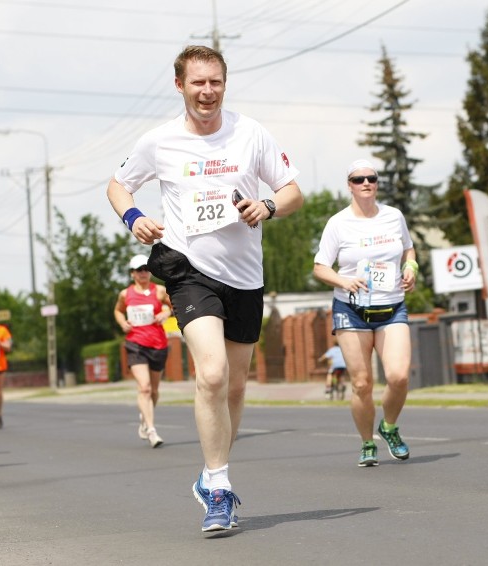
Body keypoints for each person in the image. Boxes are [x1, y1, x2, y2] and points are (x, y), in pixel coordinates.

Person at [106, 45, 303, 532]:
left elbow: (293, 191)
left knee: (235, 386)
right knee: (211, 374)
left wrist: (268, 207)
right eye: (198, 82)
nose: (207, 91)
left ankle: (210, 472)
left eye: (215, 81)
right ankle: (218, 485)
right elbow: (116, 185)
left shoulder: (251, 133)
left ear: (224, 83)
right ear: (180, 86)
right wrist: (133, 217)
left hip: (244, 276)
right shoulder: (160, 141)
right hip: (188, 269)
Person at [313, 159, 417, 468]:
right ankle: (367, 441)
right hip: (351, 308)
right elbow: (320, 267)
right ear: (350, 185)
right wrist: (343, 280)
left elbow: (408, 250)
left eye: (371, 178)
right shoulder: (338, 223)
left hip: (391, 305)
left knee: (398, 376)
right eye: (358, 179)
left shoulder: (393, 216)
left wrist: (410, 267)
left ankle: (389, 427)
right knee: (362, 383)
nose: (366, 183)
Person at [114, 254, 171, 448]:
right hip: (135, 344)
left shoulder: (160, 291)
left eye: (146, 269)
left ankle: (144, 419)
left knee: (154, 391)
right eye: (139, 270)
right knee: (144, 387)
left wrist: (165, 312)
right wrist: (123, 323)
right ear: (132, 274)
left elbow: (174, 306)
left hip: (158, 344)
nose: (144, 273)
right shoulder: (125, 294)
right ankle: (151, 429)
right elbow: (118, 311)